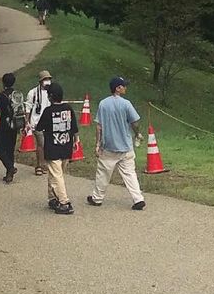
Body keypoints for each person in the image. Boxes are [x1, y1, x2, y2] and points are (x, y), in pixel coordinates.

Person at [86, 76, 145, 210]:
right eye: (124, 86)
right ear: (118, 88)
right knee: (130, 173)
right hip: (126, 146)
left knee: (103, 173)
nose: (125, 88)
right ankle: (138, 199)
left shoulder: (103, 104)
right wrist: (137, 133)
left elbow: (99, 126)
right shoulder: (126, 104)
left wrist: (98, 144)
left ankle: (97, 198)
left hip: (109, 146)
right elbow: (134, 122)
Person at [36, 80, 78, 214]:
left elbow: (39, 127)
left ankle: (64, 202)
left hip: (53, 148)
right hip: (66, 147)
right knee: (55, 174)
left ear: (50, 97)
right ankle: (52, 197)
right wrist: (75, 141)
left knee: (57, 176)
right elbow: (74, 128)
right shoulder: (69, 108)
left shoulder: (48, 111)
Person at [0, 71, 22, 183]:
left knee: (0, 149)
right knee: (10, 149)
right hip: (15, 125)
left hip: (4, 125)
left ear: (3, 83)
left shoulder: (1, 96)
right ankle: (9, 174)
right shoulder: (17, 94)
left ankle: (10, 168)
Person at [24, 71, 53, 176]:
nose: (47, 81)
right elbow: (28, 107)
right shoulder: (33, 93)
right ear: (40, 81)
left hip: (50, 123)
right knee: (41, 144)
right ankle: (40, 165)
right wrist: (27, 122)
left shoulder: (52, 92)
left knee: (47, 145)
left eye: (49, 79)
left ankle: (45, 164)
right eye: (45, 79)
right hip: (37, 123)